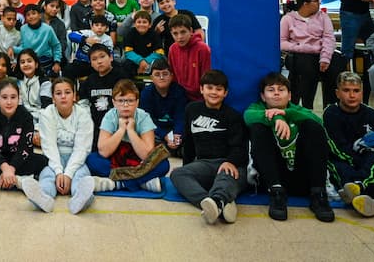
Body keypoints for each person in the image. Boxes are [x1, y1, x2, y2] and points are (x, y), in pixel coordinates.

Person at [244, 72, 336, 221]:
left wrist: (285, 113)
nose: (276, 93)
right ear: (263, 96)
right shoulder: (256, 108)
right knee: (257, 128)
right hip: (272, 177)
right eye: (271, 90)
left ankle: (318, 194)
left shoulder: (297, 110)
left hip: (302, 176)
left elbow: (318, 121)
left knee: (313, 126)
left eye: (281, 90)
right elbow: (248, 117)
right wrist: (277, 118)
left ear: (289, 95)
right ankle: (276, 193)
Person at [170, 69, 248, 225]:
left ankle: (218, 200)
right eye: (209, 88)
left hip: (229, 164)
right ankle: (214, 202)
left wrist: (230, 162)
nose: (213, 92)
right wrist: (188, 167)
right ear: (201, 89)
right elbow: (189, 143)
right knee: (177, 174)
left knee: (226, 177)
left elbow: (240, 147)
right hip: (204, 164)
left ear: (225, 93)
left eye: (219, 89)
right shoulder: (191, 109)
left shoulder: (233, 116)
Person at [20, 77, 96, 215]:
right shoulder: (47, 113)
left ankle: (80, 199)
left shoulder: (83, 115)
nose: (63, 96)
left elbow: (81, 149)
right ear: (53, 98)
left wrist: (68, 174)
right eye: (58, 93)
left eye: (67, 92)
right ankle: (43, 198)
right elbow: (49, 146)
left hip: (76, 159)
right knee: (47, 176)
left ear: (74, 96)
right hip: (53, 158)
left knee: (80, 177)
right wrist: (58, 171)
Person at [323, 71, 374, 208]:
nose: (352, 95)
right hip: (344, 160)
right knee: (336, 165)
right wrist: (360, 159)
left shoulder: (372, 115)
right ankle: (366, 196)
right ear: (337, 93)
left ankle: (359, 190)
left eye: (356, 91)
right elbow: (337, 149)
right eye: (346, 90)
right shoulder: (331, 113)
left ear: (362, 93)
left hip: (369, 162)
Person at [87, 79, 170, 193]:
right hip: (117, 159)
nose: (125, 105)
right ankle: (142, 182)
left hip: (138, 161)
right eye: (121, 101)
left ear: (137, 102)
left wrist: (131, 131)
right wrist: (121, 130)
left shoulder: (144, 117)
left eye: (130, 101)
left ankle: (117, 184)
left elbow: (146, 155)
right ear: (114, 102)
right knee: (92, 160)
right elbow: (104, 152)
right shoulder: (110, 116)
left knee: (164, 164)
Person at [280, 0, 340, 109]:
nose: (319, 3)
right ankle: (307, 106)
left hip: (320, 52)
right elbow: (282, 42)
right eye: (316, 1)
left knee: (335, 64)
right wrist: (303, 47)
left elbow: (329, 38)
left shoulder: (323, 17)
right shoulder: (288, 19)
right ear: (305, 4)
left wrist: (325, 58)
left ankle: (331, 106)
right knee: (307, 67)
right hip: (298, 54)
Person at [76, 44, 125, 149]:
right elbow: (83, 105)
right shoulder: (89, 81)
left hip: (117, 126)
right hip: (95, 127)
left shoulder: (122, 78)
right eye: (94, 59)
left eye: (102, 56)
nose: (99, 61)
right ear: (91, 63)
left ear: (111, 57)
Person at [140, 59, 186, 154]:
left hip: (175, 129)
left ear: (171, 76)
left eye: (165, 74)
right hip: (156, 131)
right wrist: (164, 135)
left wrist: (177, 133)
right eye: (157, 74)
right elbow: (147, 120)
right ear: (151, 77)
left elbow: (180, 117)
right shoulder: (146, 93)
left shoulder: (179, 91)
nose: (161, 77)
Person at [168, 14, 211, 101]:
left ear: (191, 31)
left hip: (200, 98)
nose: (180, 37)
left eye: (183, 32)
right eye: (175, 33)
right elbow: (173, 76)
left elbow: (206, 77)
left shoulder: (203, 49)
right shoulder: (172, 49)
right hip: (180, 96)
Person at [17, 4, 61, 76]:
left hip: (45, 61)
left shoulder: (48, 29)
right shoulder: (23, 29)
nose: (31, 16)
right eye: (28, 15)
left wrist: (57, 62)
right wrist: (13, 51)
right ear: (25, 18)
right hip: (28, 60)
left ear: (40, 15)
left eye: (34, 13)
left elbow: (56, 46)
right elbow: (22, 47)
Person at [15, 49, 52, 129]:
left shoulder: (44, 82)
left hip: (41, 117)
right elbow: (19, 105)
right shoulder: (18, 82)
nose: (26, 64)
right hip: (24, 117)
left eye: (29, 61)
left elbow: (46, 107)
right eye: (22, 62)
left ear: (36, 64)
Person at [120, 10, 164, 77]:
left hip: (150, 61)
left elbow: (159, 52)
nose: (141, 24)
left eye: (144, 22)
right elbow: (128, 52)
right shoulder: (130, 33)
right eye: (139, 22)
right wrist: (140, 61)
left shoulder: (154, 34)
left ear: (150, 25)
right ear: (134, 24)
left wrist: (146, 61)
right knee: (127, 64)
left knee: (160, 63)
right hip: (135, 60)